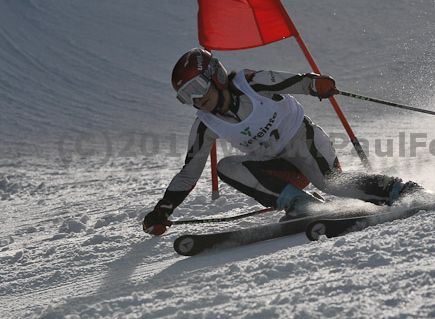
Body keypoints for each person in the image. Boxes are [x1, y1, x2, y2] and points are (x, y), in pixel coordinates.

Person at [143, 48, 420, 235]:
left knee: (331, 183)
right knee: (226, 166)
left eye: (197, 88)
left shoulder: (251, 83)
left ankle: (403, 191)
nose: (196, 100)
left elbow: (295, 82)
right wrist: (163, 209)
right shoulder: (206, 124)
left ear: (214, 76)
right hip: (280, 167)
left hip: (305, 142)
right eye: (186, 96)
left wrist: (315, 85)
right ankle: (301, 204)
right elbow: (189, 172)